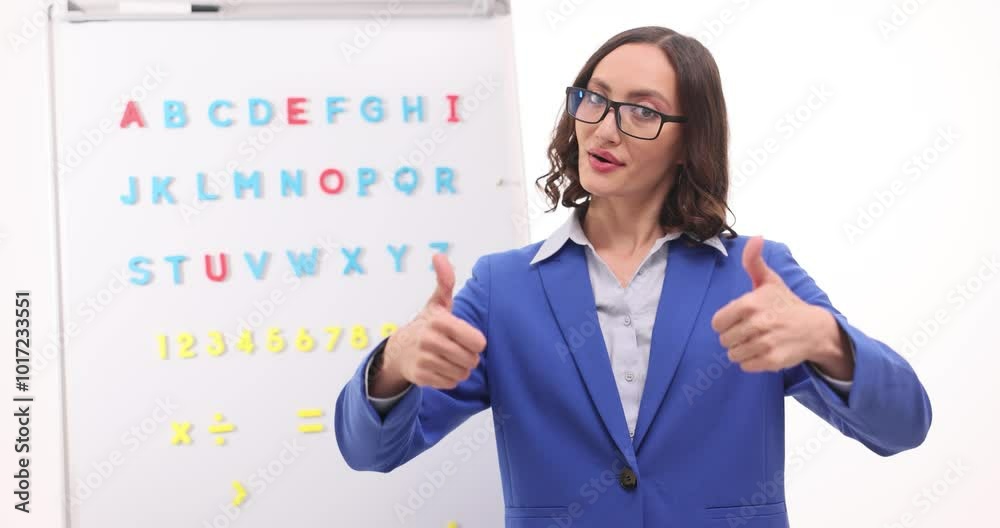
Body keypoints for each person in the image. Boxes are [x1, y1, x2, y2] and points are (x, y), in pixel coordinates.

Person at [334, 26, 931, 527]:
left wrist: (828, 340)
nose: (605, 129)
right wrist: (393, 363)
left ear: (689, 141)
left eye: (642, 111)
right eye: (594, 99)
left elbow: (903, 427)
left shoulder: (757, 274)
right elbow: (368, 452)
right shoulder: (503, 287)